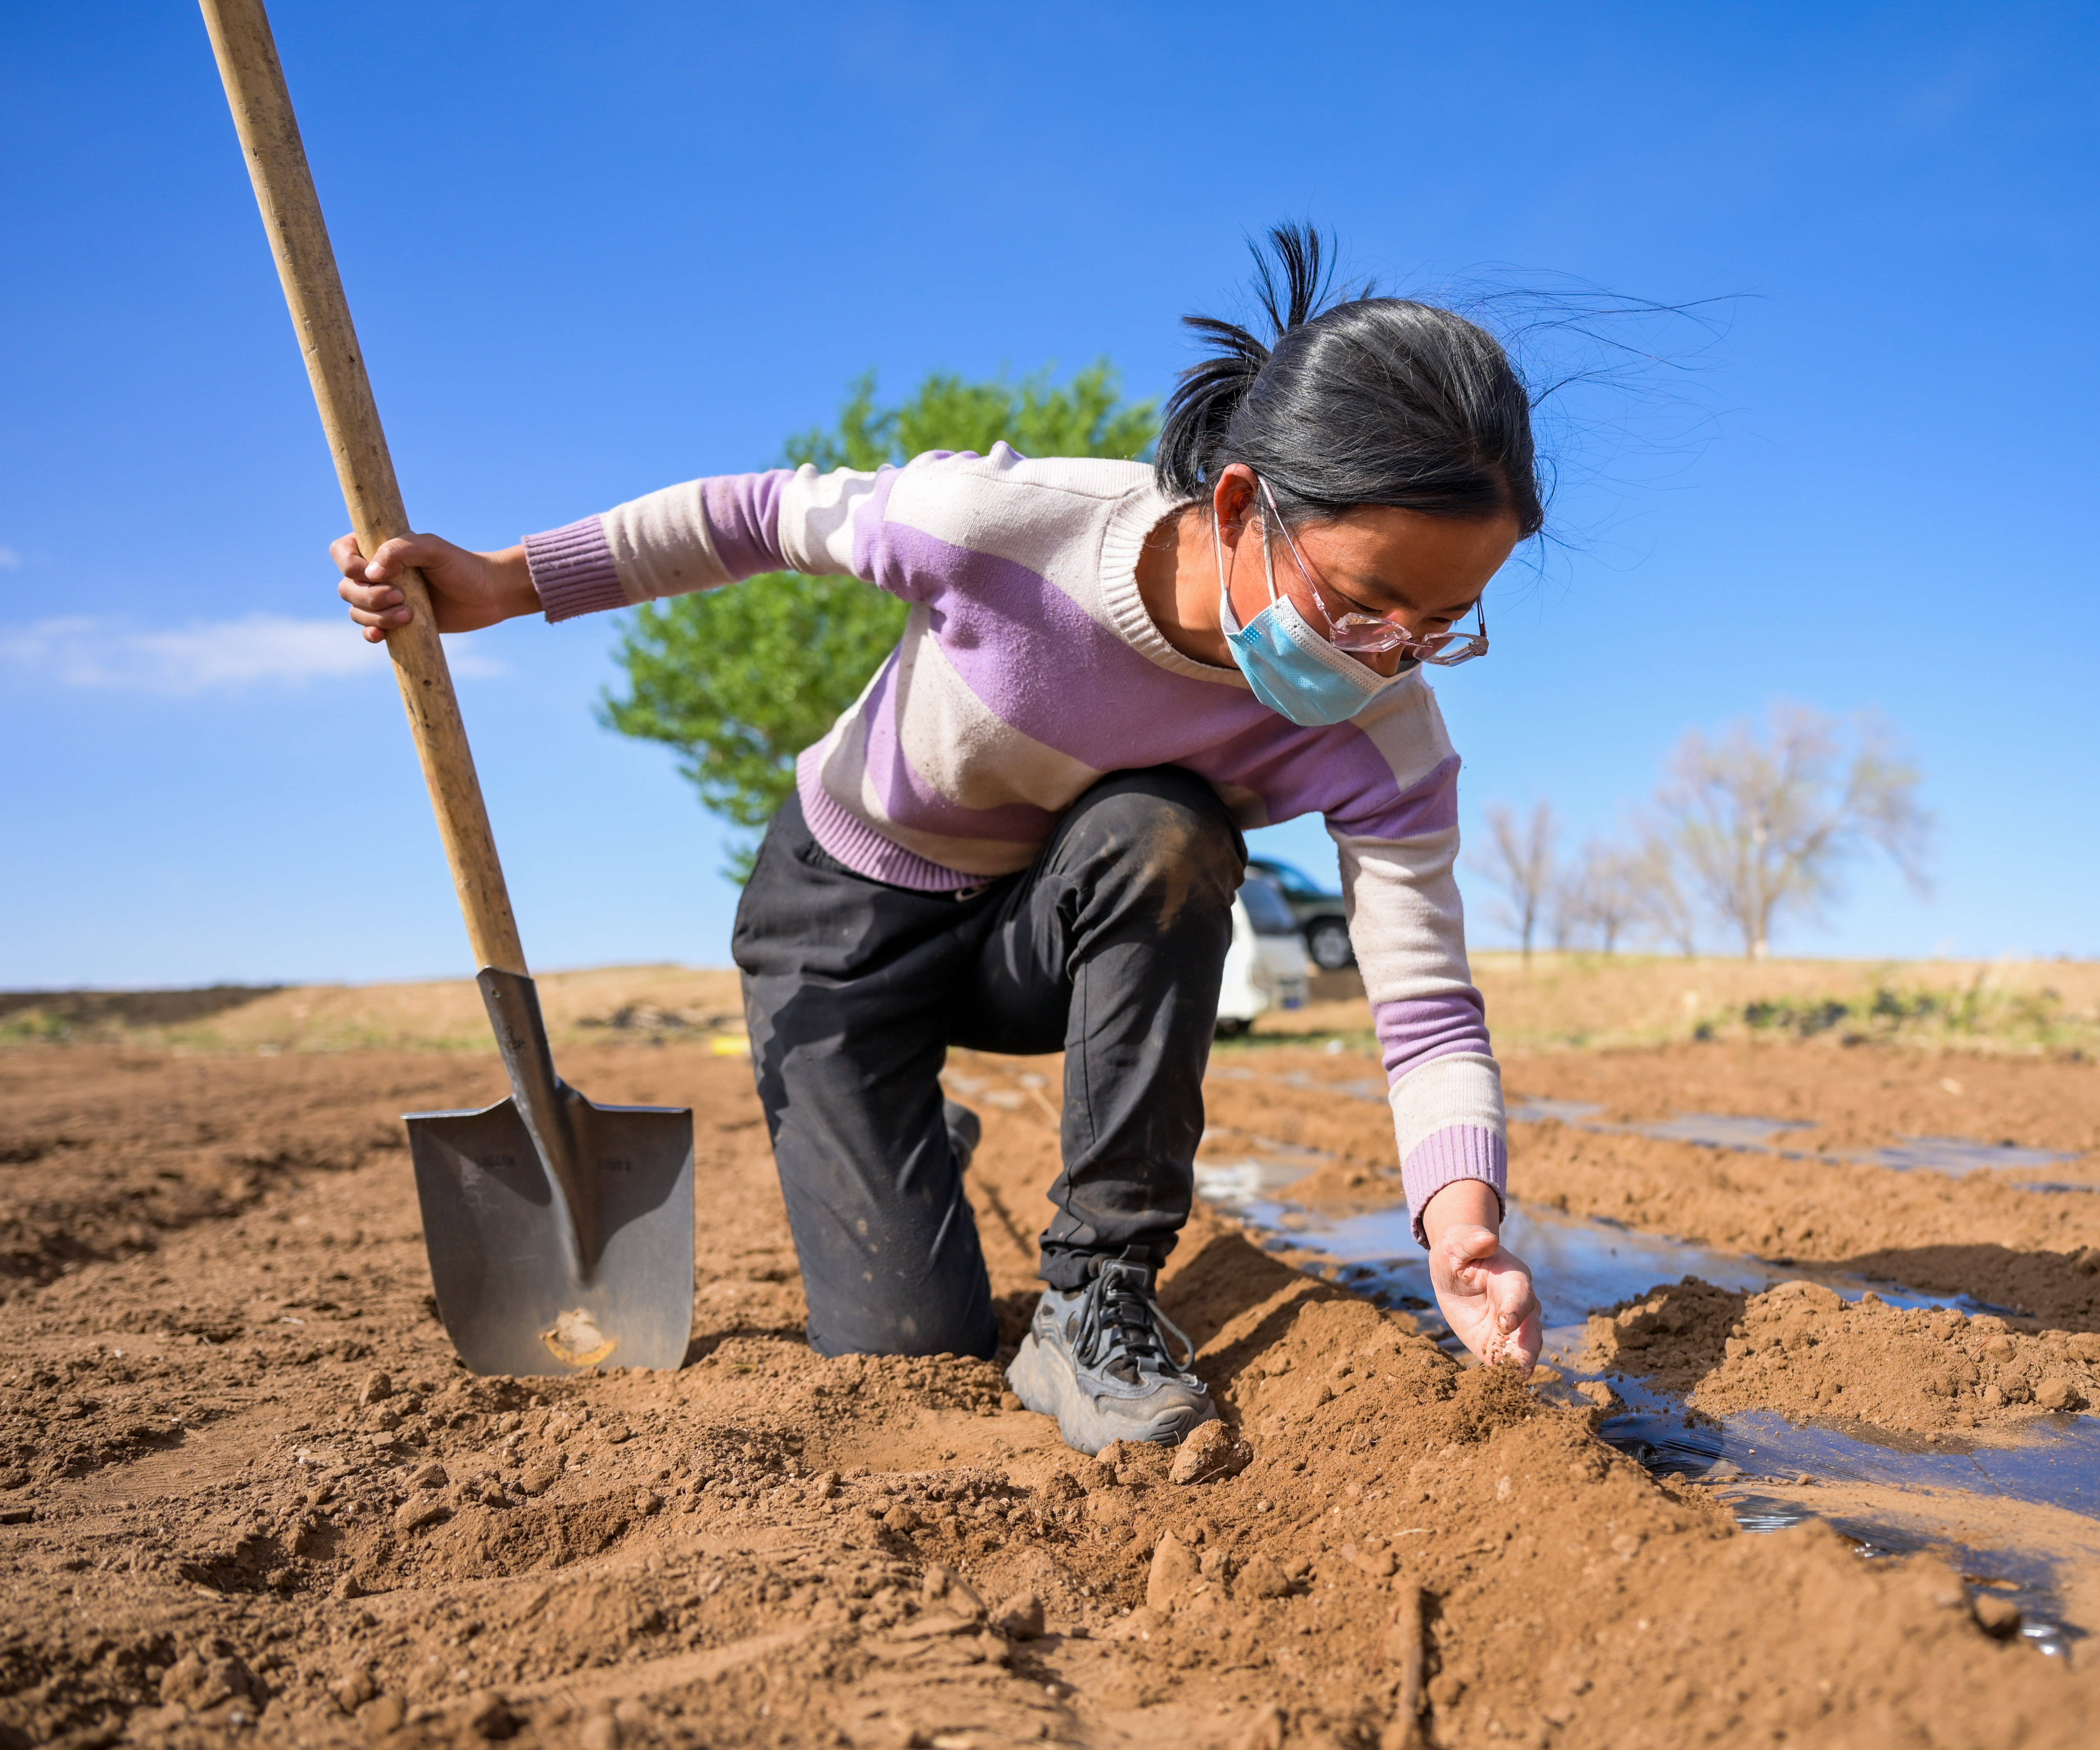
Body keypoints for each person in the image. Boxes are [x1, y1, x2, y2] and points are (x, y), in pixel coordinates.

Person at [333, 226, 1545, 1455]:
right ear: (1243, 505)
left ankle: (1095, 1298)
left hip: (1033, 938)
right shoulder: (1006, 529)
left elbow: (1428, 1004)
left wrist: (1461, 1220)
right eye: (1361, 601)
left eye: (1438, 623)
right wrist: (507, 580)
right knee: (911, 1350)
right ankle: (902, 1141)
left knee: (1168, 833)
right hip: (841, 923)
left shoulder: (1389, 737)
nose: (1387, 652)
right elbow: (754, 516)